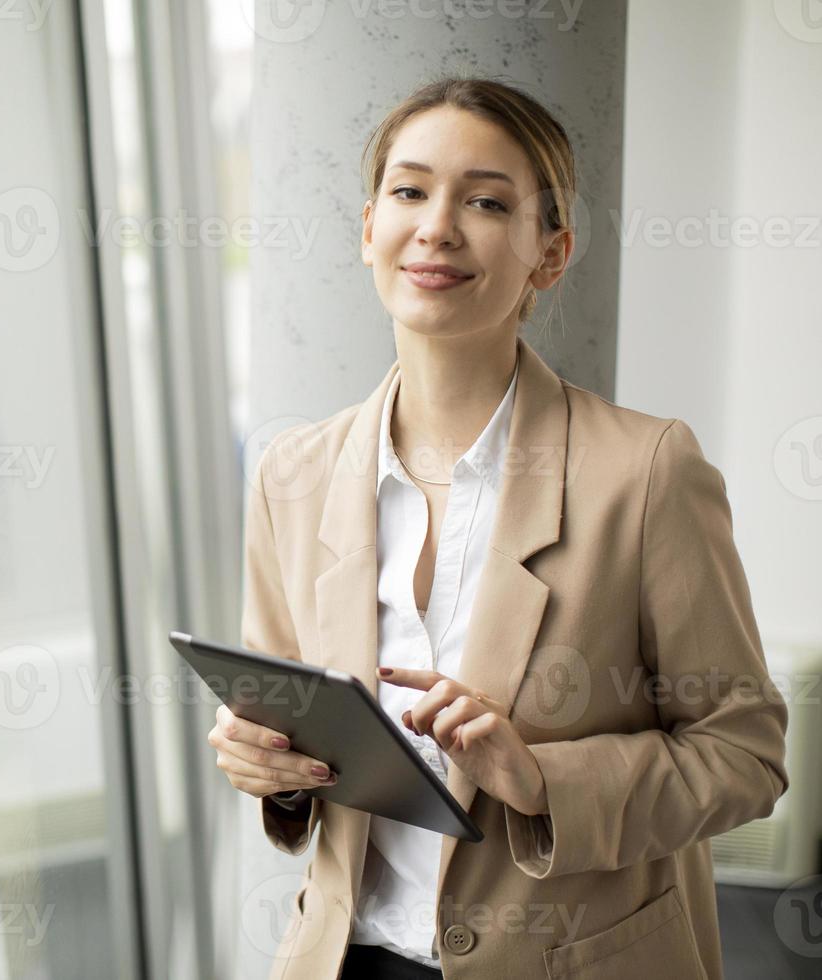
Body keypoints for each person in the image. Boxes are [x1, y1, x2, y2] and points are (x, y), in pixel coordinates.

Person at [206, 76, 788, 979]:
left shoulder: (645, 472)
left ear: (550, 254)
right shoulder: (295, 473)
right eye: (409, 191)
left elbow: (744, 754)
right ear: (369, 230)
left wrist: (540, 780)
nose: (437, 226)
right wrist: (267, 770)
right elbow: (285, 720)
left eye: (485, 201)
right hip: (347, 959)